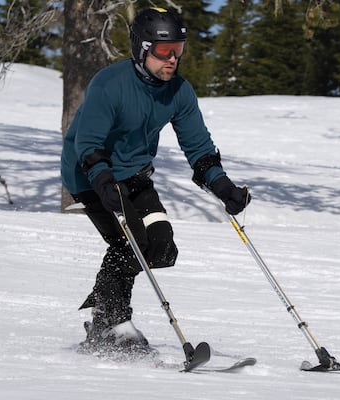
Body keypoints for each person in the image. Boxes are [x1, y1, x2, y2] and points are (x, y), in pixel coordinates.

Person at [60, 7, 250, 357]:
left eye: (179, 49)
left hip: (134, 175)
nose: (173, 59)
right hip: (91, 174)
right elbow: (88, 143)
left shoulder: (178, 91)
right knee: (130, 240)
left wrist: (223, 186)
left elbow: (199, 147)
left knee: (161, 248)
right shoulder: (109, 84)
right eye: (164, 52)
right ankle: (114, 323)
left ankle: (103, 314)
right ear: (141, 49)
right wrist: (103, 182)